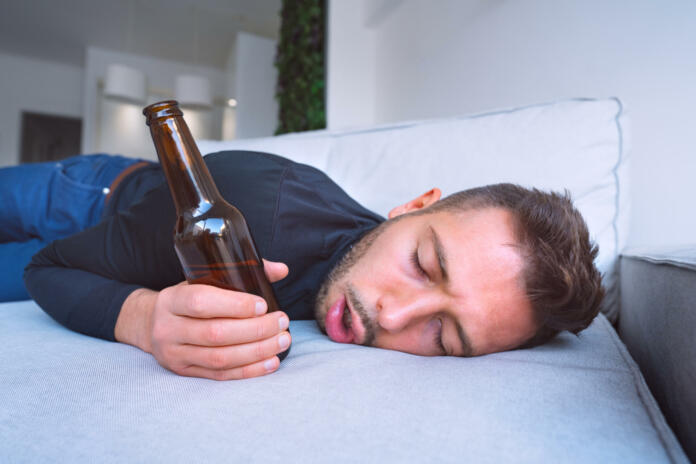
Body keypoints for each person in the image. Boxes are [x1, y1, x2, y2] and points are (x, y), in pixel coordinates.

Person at [8, 151, 603, 381]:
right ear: (413, 207)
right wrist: (140, 318)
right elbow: (49, 266)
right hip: (88, 194)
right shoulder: (260, 217)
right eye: (424, 264)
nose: (393, 316)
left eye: (443, 337)